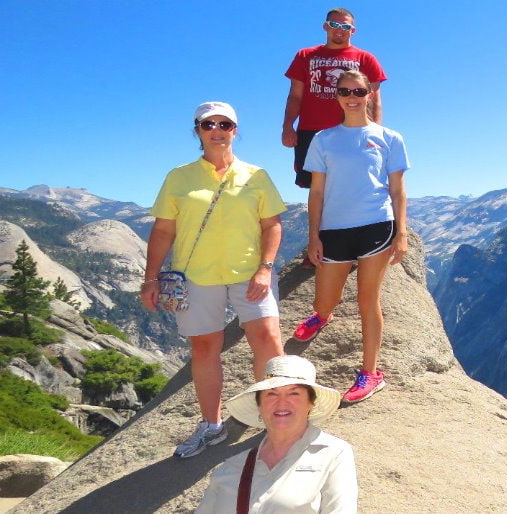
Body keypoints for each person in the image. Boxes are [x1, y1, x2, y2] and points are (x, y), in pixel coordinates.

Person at [142, 101, 286, 459]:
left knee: (267, 338)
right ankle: (212, 425)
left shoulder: (256, 175)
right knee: (205, 347)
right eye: (209, 125)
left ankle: (278, 418)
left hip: (249, 272)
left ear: (235, 131)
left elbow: (272, 225)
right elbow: (163, 231)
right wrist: (151, 278)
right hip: (197, 276)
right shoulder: (179, 177)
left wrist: (266, 267)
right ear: (198, 131)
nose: (217, 130)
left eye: (225, 124)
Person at [291, 69, 409, 404]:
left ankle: (370, 373)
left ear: (370, 93)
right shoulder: (324, 139)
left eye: (358, 91)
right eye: (345, 91)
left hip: (376, 225)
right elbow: (316, 193)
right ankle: (323, 315)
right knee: (323, 301)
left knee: (367, 300)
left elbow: (398, 190)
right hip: (334, 229)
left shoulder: (389, 138)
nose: (352, 97)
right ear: (337, 96)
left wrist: (400, 232)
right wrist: (313, 236)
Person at [195, 355, 356, 513]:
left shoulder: (333, 454)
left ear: (311, 403)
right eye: (271, 394)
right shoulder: (231, 467)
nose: (281, 402)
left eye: (294, 393)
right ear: (259, 405)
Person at [282, 7, 387, 191]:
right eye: (334, 24)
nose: (339, 29)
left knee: (354, 184)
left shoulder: (366, 58)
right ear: (325, 26)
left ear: (353, 30)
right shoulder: (305, 56)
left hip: (353, 131)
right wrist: (288, 126)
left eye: (345, 26)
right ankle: (318, 222)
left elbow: (374, 99)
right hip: (310, 132)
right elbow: (295, 96)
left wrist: (376, 132)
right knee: (315, 186)